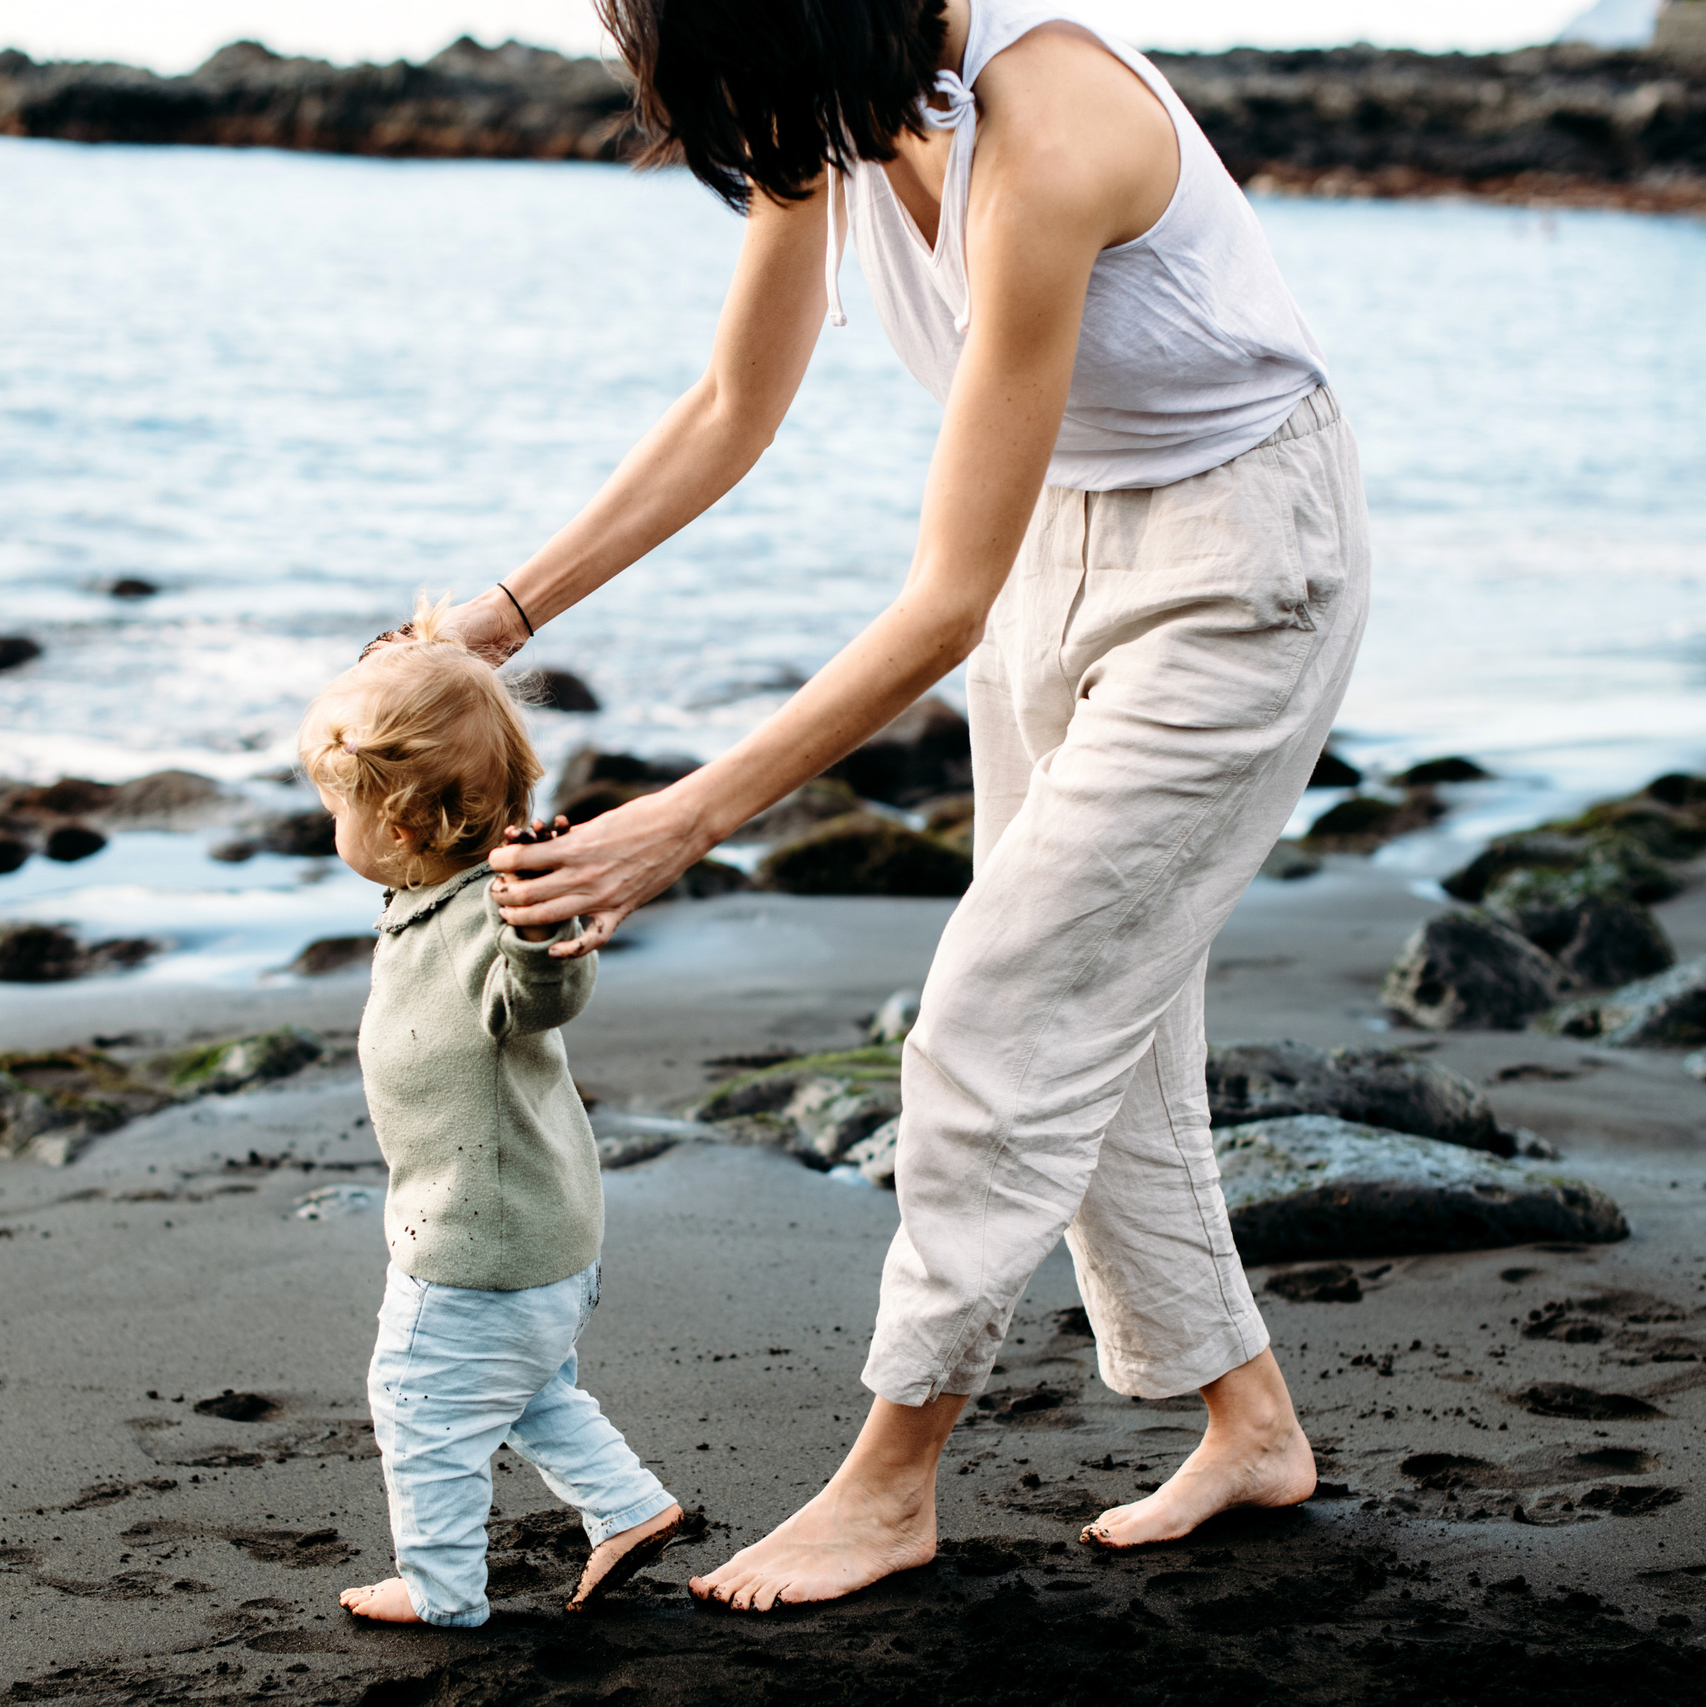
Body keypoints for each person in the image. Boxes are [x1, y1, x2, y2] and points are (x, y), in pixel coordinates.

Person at [439, 0, 1368, 1609]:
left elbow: (941, 601)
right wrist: (498, 620)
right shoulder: (841, 108)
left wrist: (685, 819)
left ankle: (891, 1483)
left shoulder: (1054, 122)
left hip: (1238, 569)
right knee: (1110, 1022)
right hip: (1062, 542)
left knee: (999, 1016)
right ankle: (1254, 1424)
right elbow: (736, 401)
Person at [304, 608, 684, 1626]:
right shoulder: (429, 892)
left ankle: (441, 1593)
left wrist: (542, 926)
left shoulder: (492, 915)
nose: (324, 827)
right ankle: (628, 1510)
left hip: (479, 1250)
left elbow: (540, 995)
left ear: (395, 827)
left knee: (419, 1409)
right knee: (527, 1393)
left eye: (333, 807)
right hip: (542, 1239)